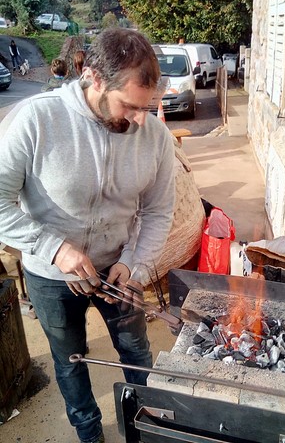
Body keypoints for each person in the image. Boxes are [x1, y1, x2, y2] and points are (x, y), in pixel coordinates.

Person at [0, 27, 175, 443]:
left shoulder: (154, 135)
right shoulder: (35, 120)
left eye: (147, 107)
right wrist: (54, 248)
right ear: (94, 77)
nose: (139, 120)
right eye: (130, 106)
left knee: (136, 351)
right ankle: (89, 433)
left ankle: (144, 429)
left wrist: (133, 264)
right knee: (70, 360)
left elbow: (157, 212)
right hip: (51, 276)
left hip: (121, 269)